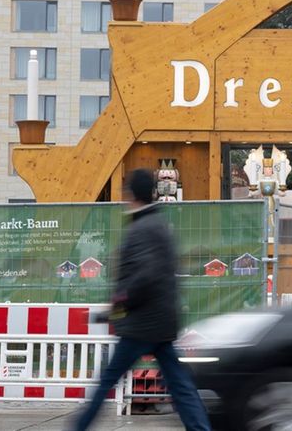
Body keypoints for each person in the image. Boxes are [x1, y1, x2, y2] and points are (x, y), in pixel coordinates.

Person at [69, 169, 209, 431]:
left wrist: (118, 303)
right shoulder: (160, 226)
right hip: (162, 322)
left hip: (141, 325)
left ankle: (77, 427)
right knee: (181, 386)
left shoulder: (141, 229)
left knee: (107, 380)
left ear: (131, 195)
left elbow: (145, 276)